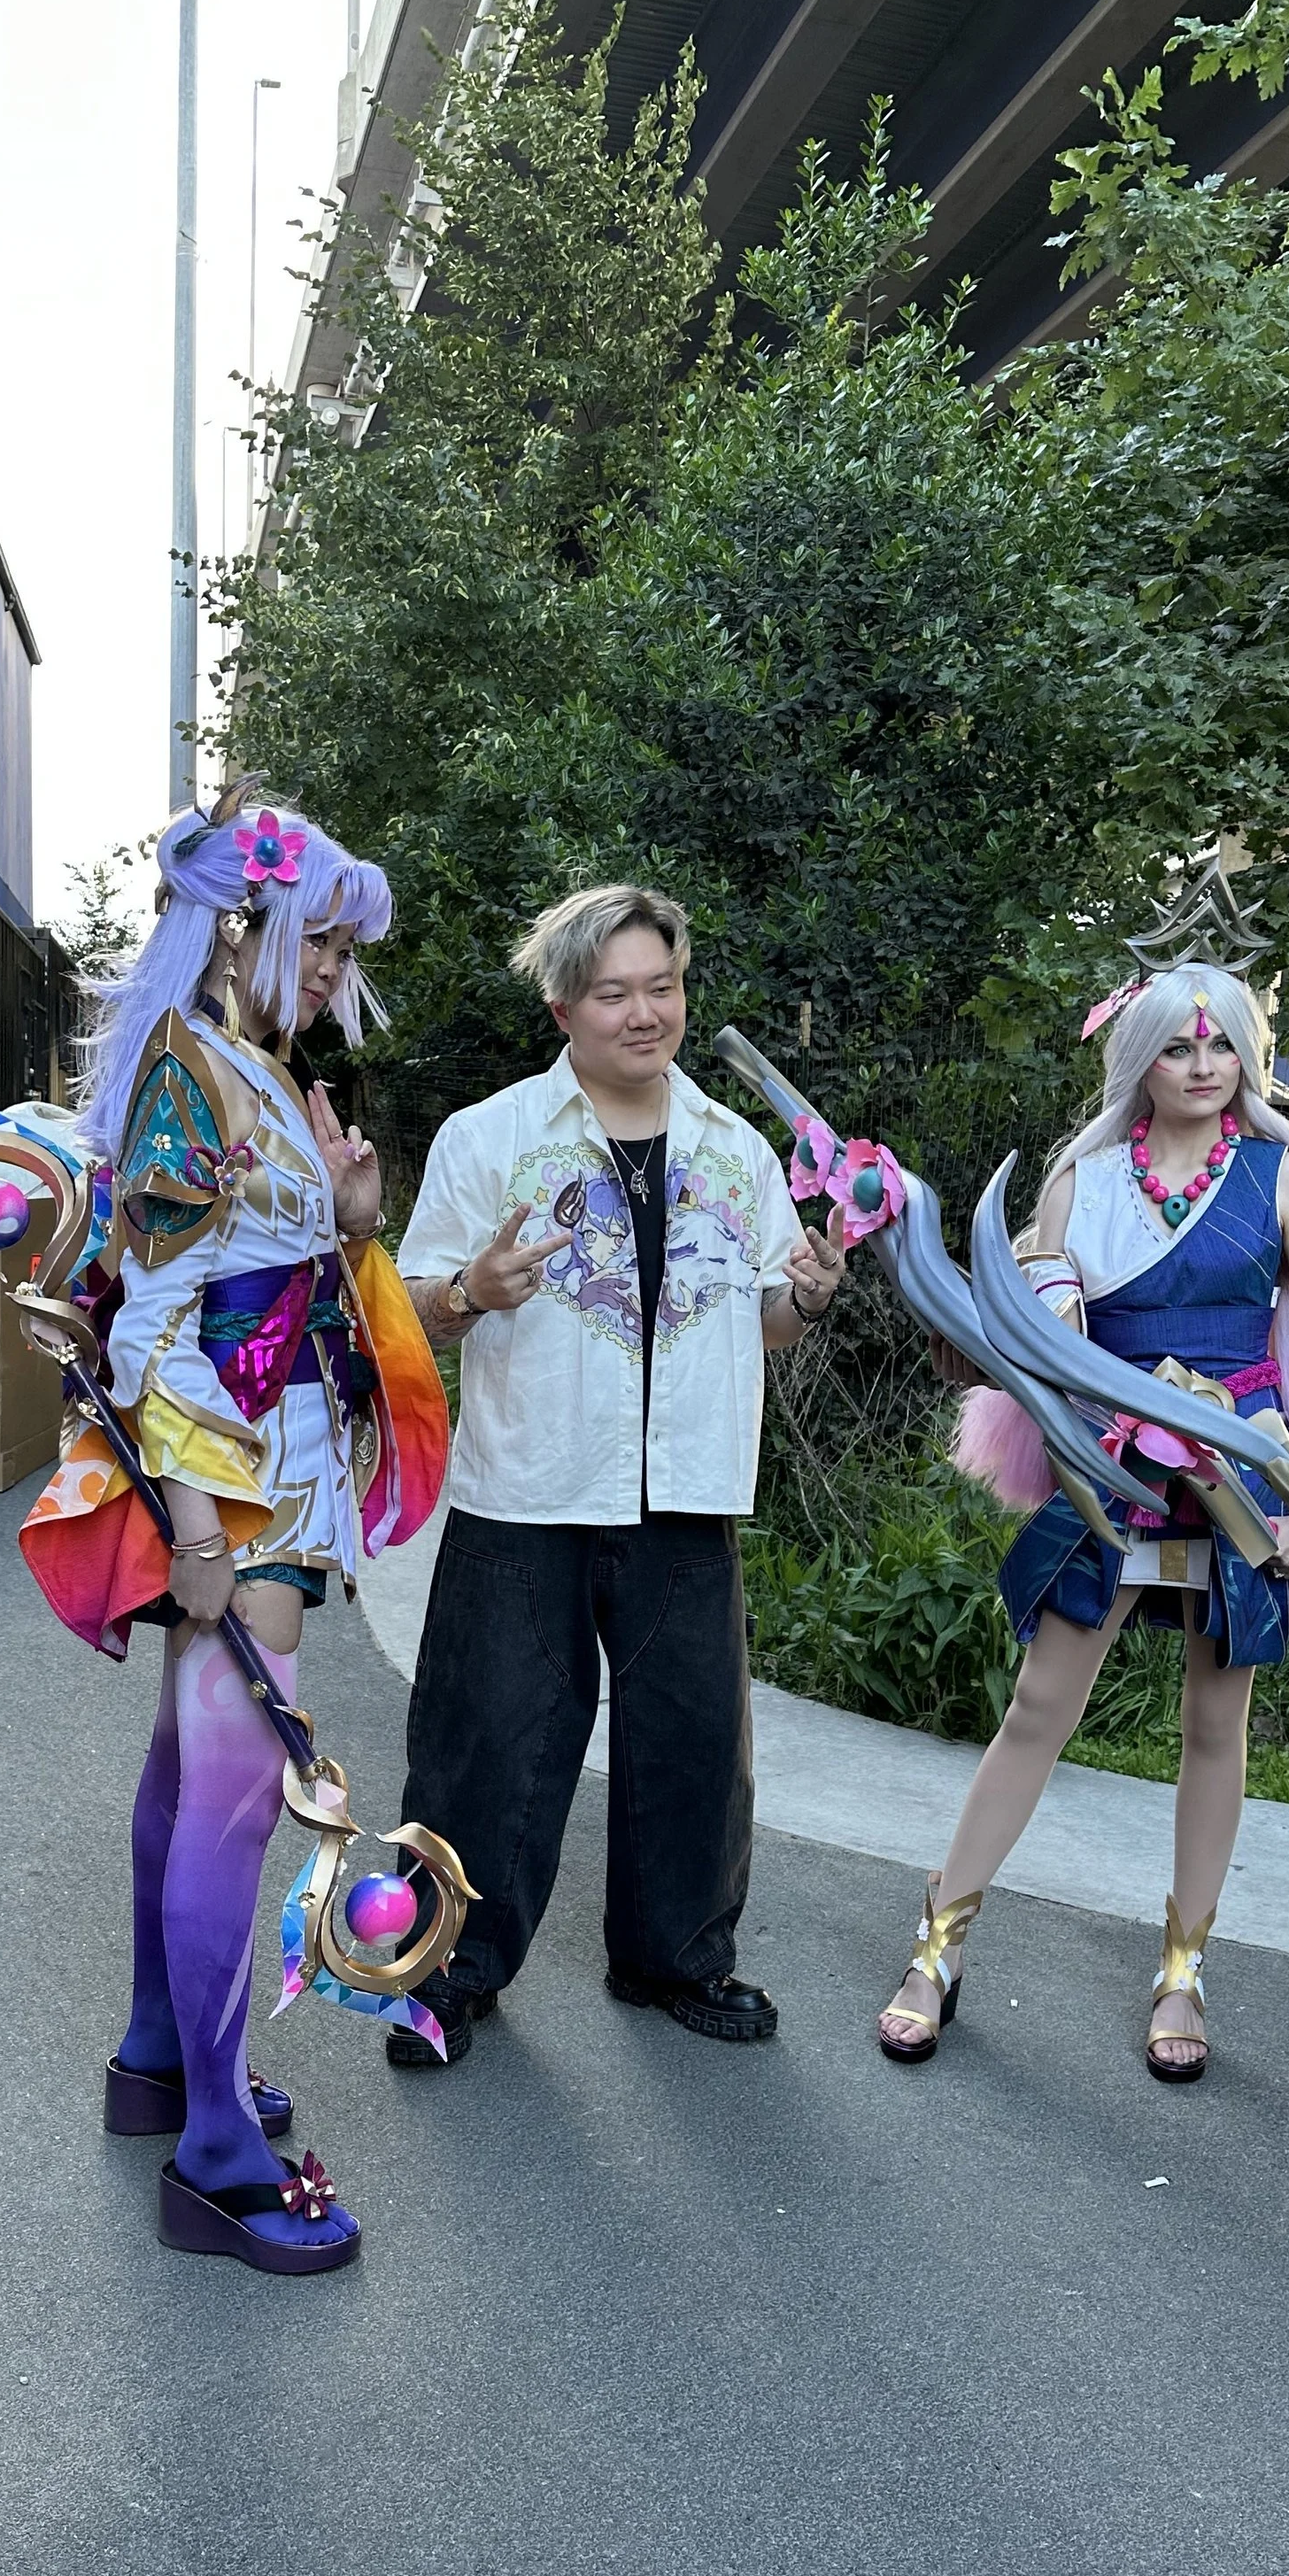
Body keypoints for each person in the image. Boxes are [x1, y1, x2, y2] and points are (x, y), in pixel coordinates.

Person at [19, 787, 442, 2271]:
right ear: (241, 924)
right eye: (314, 936)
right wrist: (199, 1529)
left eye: (336, 943)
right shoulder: (189, 1074)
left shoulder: (243, 1067)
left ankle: (161, 2057)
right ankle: (212, 2149)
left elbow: (268, 1274)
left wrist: (351, 1219)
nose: (330, 965)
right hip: (237, 1489)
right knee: (238, 1801)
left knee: (187, 1773)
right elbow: (144, 1328)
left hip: (271, 1475)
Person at [876, 948, 1289, 2083]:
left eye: (1220, 1042)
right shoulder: (1080, 1180)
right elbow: (1038, 1356)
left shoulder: (1284, 1171)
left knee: (1216, 1725)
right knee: (1037, 1711)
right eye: (1175, 1043)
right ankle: (938, 1947)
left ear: (1245, 1051)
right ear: (1136, 1055)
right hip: (1110, 1469)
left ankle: (1183, 1972)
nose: (1202, 1064)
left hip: (1245, 1478)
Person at [390, 883, 849, 2062]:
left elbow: (763, 1321)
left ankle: (674, 1958)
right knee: (487, 1739)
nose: (646, 1014)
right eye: (615, 994)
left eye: (664, 987)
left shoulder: (733, 1150)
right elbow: (413, 1305)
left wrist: (803, 1294)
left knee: (694, 1737)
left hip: (685, 1494)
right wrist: (471, 1293)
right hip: (527, 1486)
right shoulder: (490, 1140)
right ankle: (446, 1971)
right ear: (562, 1007)